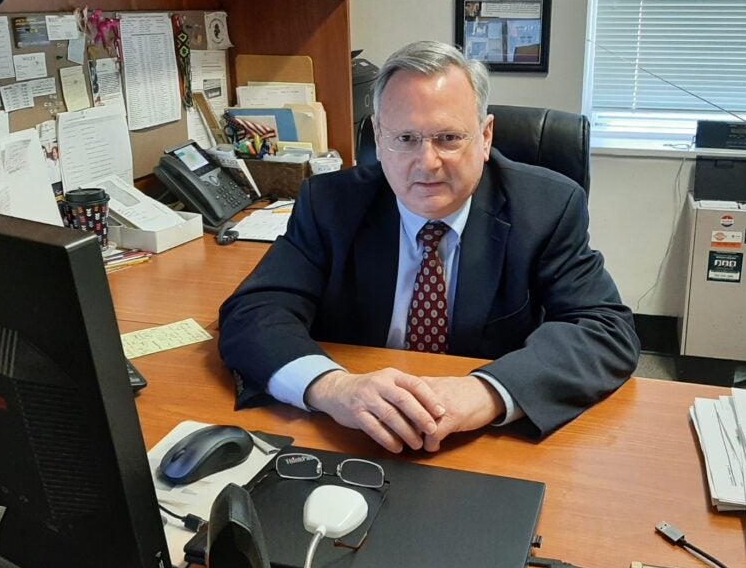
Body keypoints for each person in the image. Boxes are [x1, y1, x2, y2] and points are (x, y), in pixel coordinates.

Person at [218, 40, 640, 453]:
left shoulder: (547, 208)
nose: (427, 163)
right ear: (379, 139)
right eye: (405, 138)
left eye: (449, 137)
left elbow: (604, 329)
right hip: (355, 440)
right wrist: (331, 386)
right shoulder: (330, 205)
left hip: (483, 445)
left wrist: (487, 392)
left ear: (486, 136)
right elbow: (253, 312)